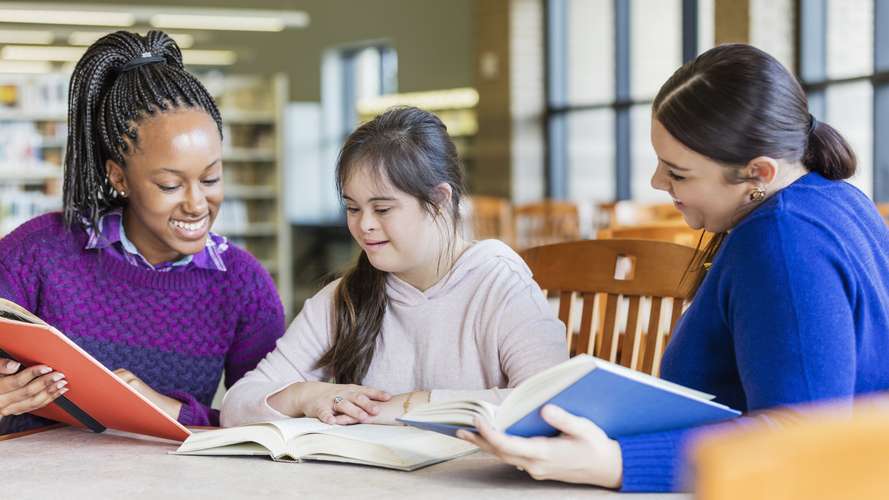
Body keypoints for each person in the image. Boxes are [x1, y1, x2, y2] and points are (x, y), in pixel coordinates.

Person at [459, 43, 889, 492]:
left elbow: (798, 439)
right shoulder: (836, 199)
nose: (656, 182)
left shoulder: (783, 239)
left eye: (678, 173)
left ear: (758, 173)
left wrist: (614, 462)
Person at [0, 31, 285, 433]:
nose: (197, 204)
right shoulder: (35, 253)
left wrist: (170, 410)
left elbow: (266, 428)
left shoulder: (244, 286)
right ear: (119, 177)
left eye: (211, 179)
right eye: (170, 185)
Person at [221, 106, 567, 427]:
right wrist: (306, 395)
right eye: (353, 208)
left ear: (440, 200)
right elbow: (236, 405)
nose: (364, 225)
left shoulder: (500, 284)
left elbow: (551, 402)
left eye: (383, 209)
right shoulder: (346, 297)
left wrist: (406, 406)